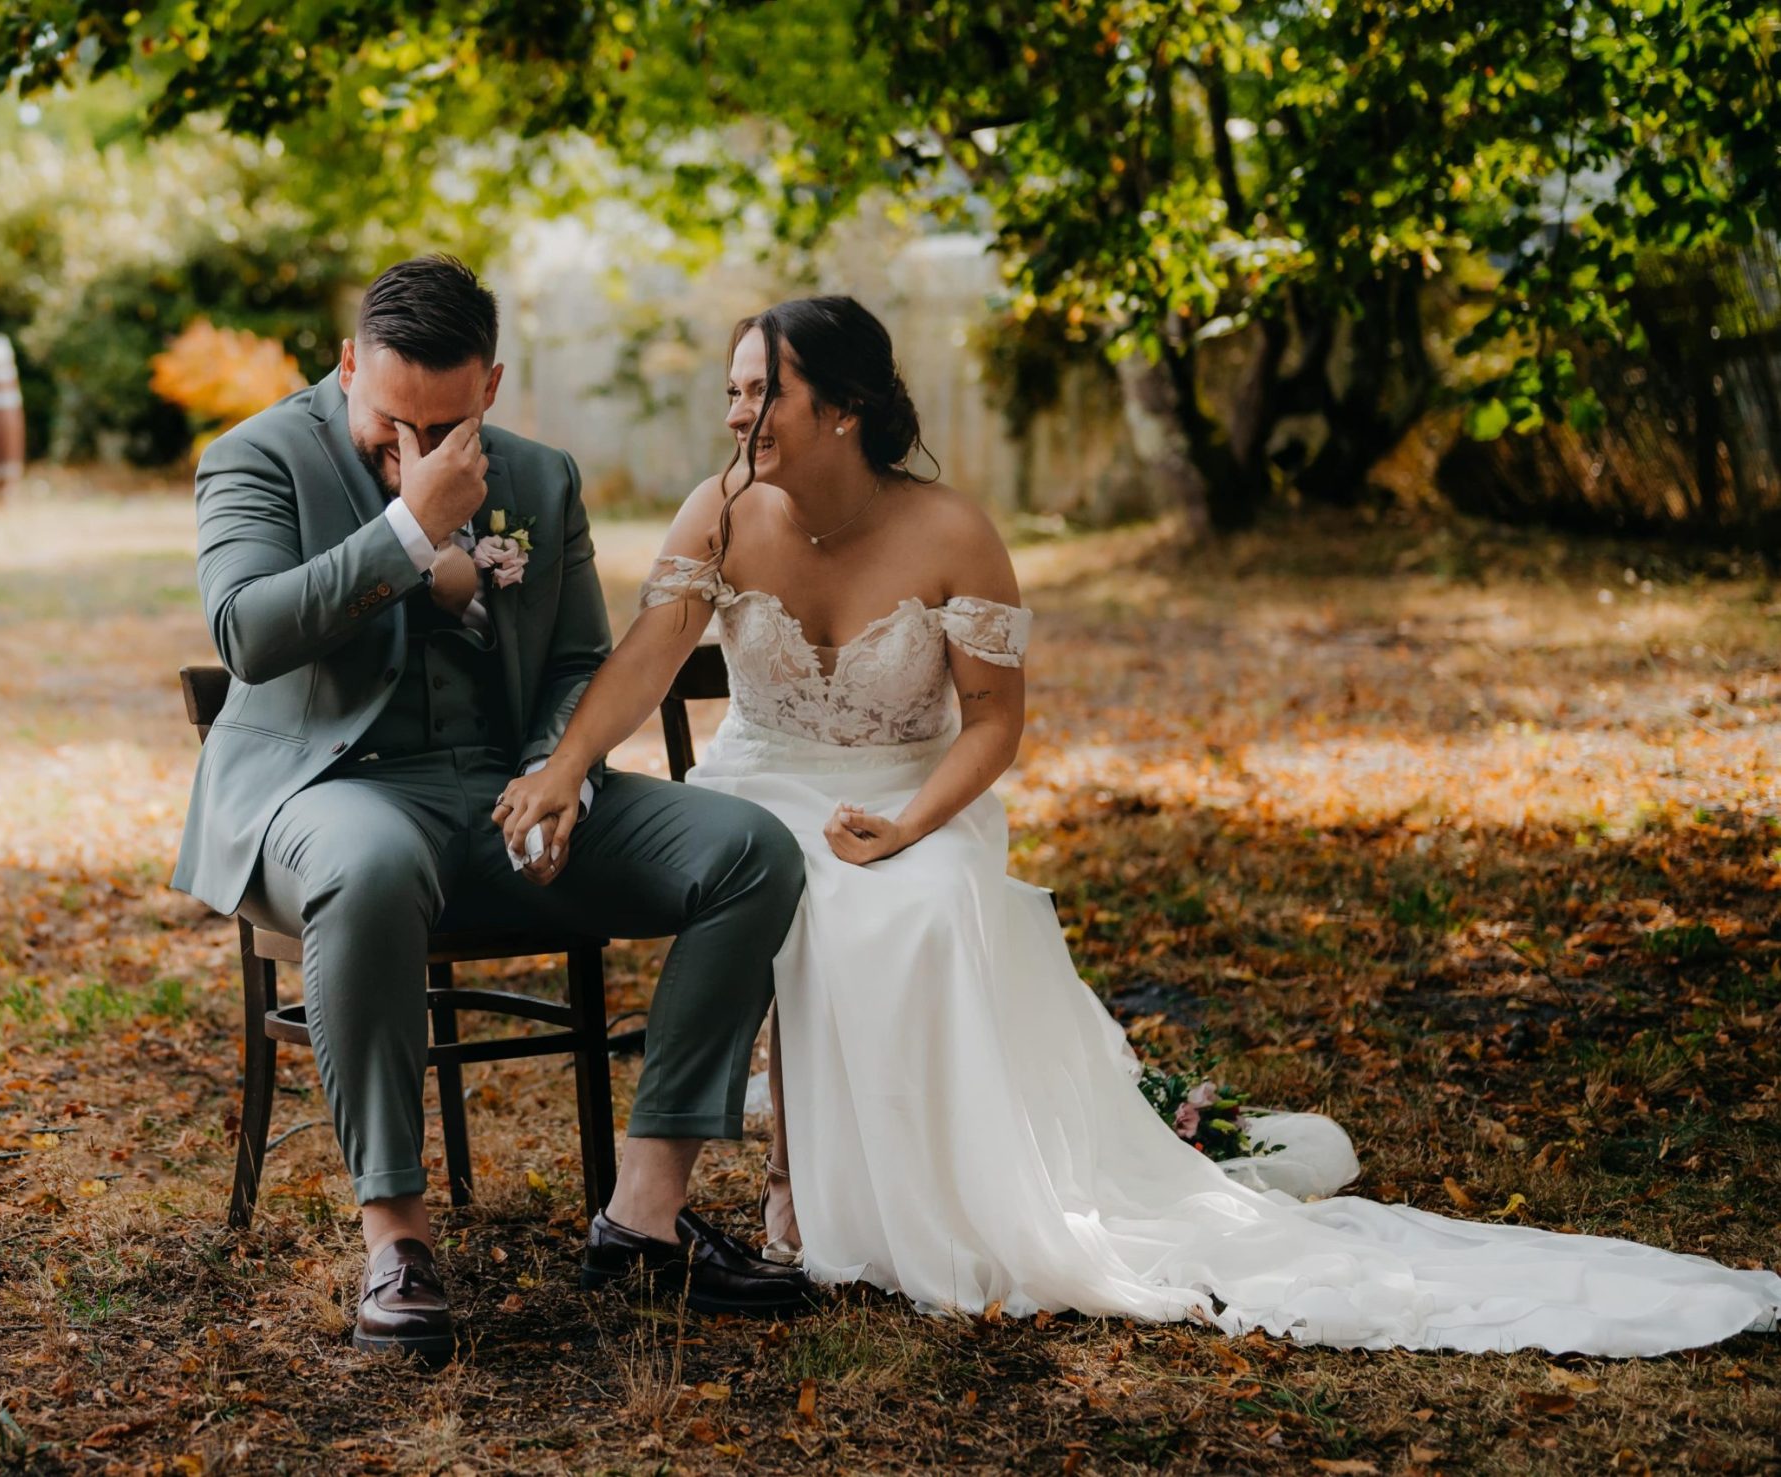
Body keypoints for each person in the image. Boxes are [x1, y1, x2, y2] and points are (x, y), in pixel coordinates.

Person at [493, 294, 1781, 1355]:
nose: (736, 415)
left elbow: (994, 726)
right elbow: (648, 661)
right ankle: (791, 1192)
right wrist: (566, 766)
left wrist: (908, 824)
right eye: (733, 393)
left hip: (914, 786)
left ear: (844, 408)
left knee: (920, 902)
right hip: (761, 779)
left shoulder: (954, 534)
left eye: (759, 393)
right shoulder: (719, 508)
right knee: (774, 883)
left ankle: (847, 1201)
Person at [171, 256, 812, 1367]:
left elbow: (575, 662)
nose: (413, 447)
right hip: (329, 796)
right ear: (344, 366)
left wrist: (560, 771)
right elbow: (248, 633)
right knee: (367, 866)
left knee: (750, 851)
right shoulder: (254, 458)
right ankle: (399, 1245)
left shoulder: (542, 478)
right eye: (389, 420)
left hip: (506, 789)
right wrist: (409, 531)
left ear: (494, 388)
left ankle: (644, 1217)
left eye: (446, 422)